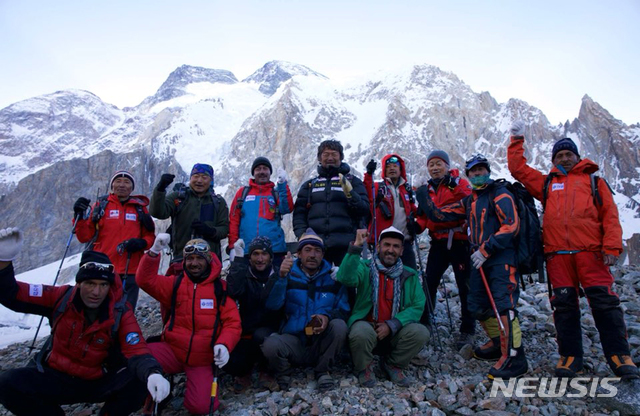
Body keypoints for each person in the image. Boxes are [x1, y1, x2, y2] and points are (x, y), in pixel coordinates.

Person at [507, 120, 639, 379]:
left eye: (569, 154)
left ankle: (620, 356)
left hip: (591, 254)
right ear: (554, 160)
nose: (565, 158)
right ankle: (570, 357)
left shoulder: (594, 182)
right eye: (560, 155)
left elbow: (610, 216)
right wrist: (516, 139)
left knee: (605, 303)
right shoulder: (547, 184)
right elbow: (518, 170)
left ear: (577, 157)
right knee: (564, 306)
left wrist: (611, 246)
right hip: (558, 257)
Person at [0, 228, 170, 416]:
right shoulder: (60, 297)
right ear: (79, 283)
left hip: (98, 380)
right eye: (90, 283)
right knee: (7, 383)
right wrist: (4, 261)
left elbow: (136, 347)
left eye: (103, 285)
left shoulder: (120, 310)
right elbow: (13, 294)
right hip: (58, 377)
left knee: (141, 379)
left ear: (110, 285)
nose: (96, 292)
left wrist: (152, 373)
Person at [416, 154, 528, 379]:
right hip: (478, 257)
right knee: (477, 303)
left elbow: (510, 225)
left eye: (481, 170)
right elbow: (441, 215)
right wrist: (424, 202)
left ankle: (515, 357)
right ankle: (498, 343)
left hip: (499, 258)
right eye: (474, 172)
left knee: (503, 306)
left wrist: (486, 249)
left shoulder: (500, 193)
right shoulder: (471, 200)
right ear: (469, 174)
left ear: (488, 171)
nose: (478, 175)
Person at [136, 235, 242, 414]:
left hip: (201, 359)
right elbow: (145, 281)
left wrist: (224, 344)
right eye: (190, 258)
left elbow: (233, 323)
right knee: (137, 358)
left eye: (199, 258)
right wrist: (153, 253)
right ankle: (153, 395)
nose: (194, 263)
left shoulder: (220, 289)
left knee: (201, 407)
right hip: (172, 350)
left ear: (208, 260)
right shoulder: (175, 284)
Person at [336, 226, 429, 387]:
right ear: (378, 247)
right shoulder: (364, 268)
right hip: (368, 327)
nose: (390, 250)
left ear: (401, 251)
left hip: (395, 331)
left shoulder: (410, 274)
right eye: (386, 245)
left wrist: (392, 325)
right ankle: (363, 367)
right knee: (360, 332)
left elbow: (418, 305)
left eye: (395, 246)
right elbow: (345, 277)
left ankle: (393, 364)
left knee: (420, 332)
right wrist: (356, 246)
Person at [262, 229, 350, 391]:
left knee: (339, 326)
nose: (312, 255)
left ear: (323, 255)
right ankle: (284, 371)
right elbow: (272, 306)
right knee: (270, 345)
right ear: (299, 254)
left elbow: (344, 310)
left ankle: (323, 370)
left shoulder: (333, 278)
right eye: (307, 250)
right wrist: (281, 278)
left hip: (321, 341)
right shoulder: (287, 274)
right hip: (294, 340)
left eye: (317, 251)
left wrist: (326, 318)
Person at [415, 150, 475, 349]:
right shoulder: (428, 189)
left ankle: (468, 329)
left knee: (464, 285)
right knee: (429, 281)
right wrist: (417, 224)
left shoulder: (459, 183)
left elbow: (467, 203)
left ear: (447, 166)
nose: (434, 168)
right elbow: (423, 215)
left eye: (438, 164)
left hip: (459, 242)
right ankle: (426, 321)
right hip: (438, 242)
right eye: (431, 165)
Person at [73, 170, 155, 308]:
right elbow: (84, 236)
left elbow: (150, 236)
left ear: (132, 188)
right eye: (118, 181)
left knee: (126, 312)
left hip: (131, 269)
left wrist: (142, 243)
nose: (122, 185)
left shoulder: (140, 209)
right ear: (112, 185)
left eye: (126, 182)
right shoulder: (100, 206)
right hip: (102, 268)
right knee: (100, 310)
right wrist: (79, 216)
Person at [293, 139, 370, 266]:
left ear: (341, 157)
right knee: (318, 284)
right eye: (326, 154)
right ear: (319, 158)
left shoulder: (353, 182)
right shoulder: (310, 185)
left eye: (334, 154)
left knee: (346, 283)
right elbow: (299, 214)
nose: (330, 158)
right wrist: (302, 235)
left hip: (346, 246)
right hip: (316, 248)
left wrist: (351, 194)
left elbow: (364, 210)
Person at [223, 236, 284, 392]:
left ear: (271, 257)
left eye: (264, 254)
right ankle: (245, 372)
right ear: (249, 257)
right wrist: (237, 261)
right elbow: (233, 290)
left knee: (263, 338)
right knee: (231, 362)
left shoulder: (279, 274)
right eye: (255, 254)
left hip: (272, 330)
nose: (260, 259)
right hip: (247, 330)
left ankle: (266, 371)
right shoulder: (245, 274)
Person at [149, 163, 229, 262]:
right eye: (196, 176)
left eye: (204, 177)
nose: (199, 181)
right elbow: (158, 213)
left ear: (211, 180)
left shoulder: (218, 202)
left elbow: (224, 229)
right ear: (190, 178)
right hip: (181, 258)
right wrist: (160, 189)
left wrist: (210, 231)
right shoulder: (178, 197)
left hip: (210, 260)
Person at [228, 157, 294, 268]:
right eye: (258, 169)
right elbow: (234, 220)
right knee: (247, 284)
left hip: (274, 250)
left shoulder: (276, 192)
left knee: (275, 283)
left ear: (270, 173)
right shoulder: (243, 193)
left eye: (265, 169)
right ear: (253, 173)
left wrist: (282, 185)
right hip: (247, 250)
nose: (262, 172)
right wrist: (233, 247)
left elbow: (287, 208)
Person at [363, 154, 419, 270]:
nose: (392, 169)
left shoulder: (407, 190)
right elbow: (367, 192)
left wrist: (418, 226)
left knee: (410, 273)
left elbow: (414, 211)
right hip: (382, 241)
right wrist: (369, 174)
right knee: (381, 275)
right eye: (388, 167)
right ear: (384, 170)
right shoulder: (378, 187)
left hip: (405, 241)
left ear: (400, 169)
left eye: (395, 166)